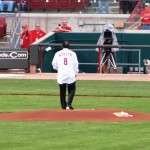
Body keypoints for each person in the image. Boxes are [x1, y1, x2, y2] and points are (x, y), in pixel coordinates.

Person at [52, 41, 79, 110]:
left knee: (62, 90)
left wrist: (59, 69)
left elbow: (54, 64)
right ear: (69, 46)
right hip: (70, 73)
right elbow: (76, 64)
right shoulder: (73, 53)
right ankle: (69, 104)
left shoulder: (57, 53)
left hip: (61, 73)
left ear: (62, 46)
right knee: (72, 89)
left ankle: (63, 106)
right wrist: (76, 72)